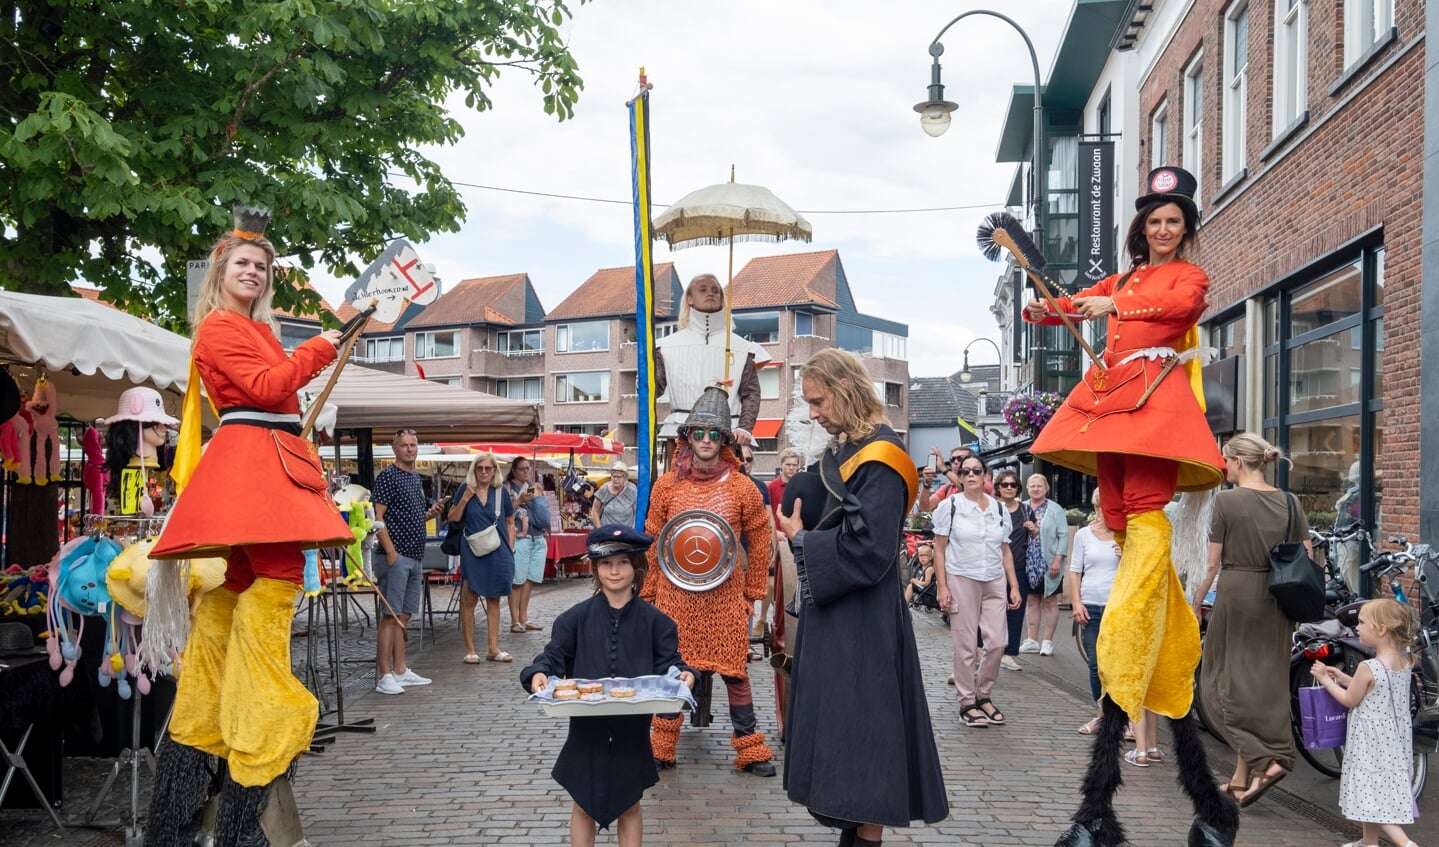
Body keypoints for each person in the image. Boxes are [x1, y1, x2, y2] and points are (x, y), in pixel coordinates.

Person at [1024, 167, 1233, 847]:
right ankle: (1205, 797)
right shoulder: (1120, 282)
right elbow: (1073, 303)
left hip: (1152, 406)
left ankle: (1096, 804)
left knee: (1142, 534)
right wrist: (1041, 304)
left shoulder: (1186, 279)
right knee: (1118, 526)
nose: (1163, 229)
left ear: (1183, 228)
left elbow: (1174, 315)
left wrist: (1108, 310)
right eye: (1153, 221)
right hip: (1113, 403)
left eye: (1173, 220)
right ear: (1140, 229)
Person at [146, 206, 354, 846]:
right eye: (243, 263)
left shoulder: (249, 328)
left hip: (263, 467)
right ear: (220, 271)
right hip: (254, 470)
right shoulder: (218, 328)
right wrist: (326, 343)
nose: (255, 273)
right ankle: (240, 830)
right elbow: (268, 388)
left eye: (262, 267)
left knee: (234, 599)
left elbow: (275, 392)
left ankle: (184, 824)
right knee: (268, 595)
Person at [777, 348, 947, 845]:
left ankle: (864, 839)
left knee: (866, 732)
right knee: (842, 730)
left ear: (845, 388)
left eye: (818, 400)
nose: (813, 413)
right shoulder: (850, 446)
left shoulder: (882, 454)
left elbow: (871, 550)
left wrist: (802, 540)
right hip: (837, 612)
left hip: (865, 619)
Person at [521, 524, 697, 847]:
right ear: (595, 568)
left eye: (623, 563)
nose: (614, 571)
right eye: (606, 564)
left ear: (637, 567)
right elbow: (552, 657)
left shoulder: (658, 623)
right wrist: (538, 674)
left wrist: (684, 676)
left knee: (630, 804)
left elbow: (670, 666)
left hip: (632, 729)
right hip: (586, 731)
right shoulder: (573, 619)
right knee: (583, 805)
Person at [642, 387, 777, 777]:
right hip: (675, 596)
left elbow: (760, 536)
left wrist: (752, 593)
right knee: (673, 671)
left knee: (735, 671)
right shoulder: (668, 486)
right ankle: (662, 747)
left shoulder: (741, 487)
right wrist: (650, 591)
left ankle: (750, 750)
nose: (705, 441)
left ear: (724, 440)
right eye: (698, 433)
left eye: (713, 434)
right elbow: (654, 539)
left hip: (725, 597)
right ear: (687, 438)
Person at [1190, 432, 1310, 805]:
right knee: (1264, 682)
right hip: (1278, 598)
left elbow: (1211, 563)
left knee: (1218, 682)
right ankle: (1242, 778)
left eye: (1227, 460)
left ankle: (1267, 761)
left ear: (1239, 462)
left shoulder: (1227, 502)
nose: (1225, 466)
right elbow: (1305, 553)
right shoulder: (1291, 502)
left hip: (1238, 592)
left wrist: (1194, 602)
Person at [1309, 598, 1419, 847]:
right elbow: (1376, 691)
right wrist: (1345, 677)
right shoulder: (1404, 661)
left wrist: (1326, 681)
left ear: (1381, 629)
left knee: (1374, 797)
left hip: (1369, 744)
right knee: (1375, 790)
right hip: (1393, 741)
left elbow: (1350, 700)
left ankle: (1405, 843)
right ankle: (1369, 843)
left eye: (1362, 622)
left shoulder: (1368, 667)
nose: (1357, 627)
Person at [933, 454, 1021, 728]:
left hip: (994, 579)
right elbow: (939, 548)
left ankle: (984, 694)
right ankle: (967, 701)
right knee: (966, 646)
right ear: (959, 477)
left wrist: (1014, 585)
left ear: (986, 476)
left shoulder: (998, 509)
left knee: (997, 642)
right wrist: (942, 586)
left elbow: (1005, 549)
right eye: (966, 471)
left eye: (976, 471)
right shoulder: (951, 507)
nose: (971, 475)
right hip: (962, 578)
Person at [654, 273, 771, 444]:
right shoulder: (665, 346)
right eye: (703, 289)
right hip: (681, 432)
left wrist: (745, 427)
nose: (711, 293)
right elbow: (654, 390)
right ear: (689, 299)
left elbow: (750, 392)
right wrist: (643, 380)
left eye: (716, 291)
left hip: (728, 434)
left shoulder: (743, 347)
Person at [370, 429, 444, 694]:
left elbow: (408, 517)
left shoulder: (414, 478)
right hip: (396, 555)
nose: (410, 449)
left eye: (413, 445)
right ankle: (384, 675)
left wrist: (429, 514)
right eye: (404, 445)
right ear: (395, 449)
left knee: (404, 615)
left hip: (414, 554)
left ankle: (400, 669)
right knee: (389, 616)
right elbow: (377, 516)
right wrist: (390, 552)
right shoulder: (388, 476)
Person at [448, 451, 517, 664]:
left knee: (494, 598)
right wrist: (466, 498)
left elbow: (510, 521)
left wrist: (510, 550)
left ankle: (493, 648)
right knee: (469, 598)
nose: (484, 472)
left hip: (498, 551)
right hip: (472, 550)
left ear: (495, 470)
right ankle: (470, 649)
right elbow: (453, 518)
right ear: (474, 470)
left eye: (488, 468)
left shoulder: (501, 492)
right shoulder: (464, 489)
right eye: (480, 468)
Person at [1070, 488, 1121, 736]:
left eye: (1111, 505)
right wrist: (1076, 602)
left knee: (1118, 664)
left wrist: (1128, 554)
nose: (1105, 510)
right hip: (1091, 604)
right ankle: (1101, 715)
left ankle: (1123, 719)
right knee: (1096, 664)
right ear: (1095, 507)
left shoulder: (1126, 536)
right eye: (1101, 505)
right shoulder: (1083, 535)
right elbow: (1075, 571)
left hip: (1119, 607)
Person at [102, 386, 177, 516]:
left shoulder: (149, 471)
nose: (164, 428)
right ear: (139, 425)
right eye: (157, 423)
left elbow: (155, 491)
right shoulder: (135, 473)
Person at [1017, 473, 1069, 657]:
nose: (1036, 489)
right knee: (1031, 601)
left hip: (1048, 562)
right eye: (1032, 486)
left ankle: (1047, 641)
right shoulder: (1021, 507)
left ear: (1046, 488)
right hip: (1027, 562)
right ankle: (1031, 639)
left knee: (1049, 601)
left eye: (1039, 486)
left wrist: (1057, 559)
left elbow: (1063, 535)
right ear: (1027, 488)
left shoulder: (1054, 509)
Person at [505, 457, 549, 633]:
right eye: (522, 469)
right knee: (517, 580)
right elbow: (505, 513)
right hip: (519, 537)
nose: (526, 472)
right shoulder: (507, 488)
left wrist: (537, 499)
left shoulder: (533, 487)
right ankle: (514, 620)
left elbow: (543, 519)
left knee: (530, 579)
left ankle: (524, 617)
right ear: (514, 470)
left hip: (537, 537)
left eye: (528, 468)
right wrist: (520, 500)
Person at [993, 469, 1030, 673]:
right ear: (998, 487)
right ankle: (985, 649)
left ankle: (1009, 654)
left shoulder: (1025, 510)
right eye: (1005, 484)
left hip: (1019, 567)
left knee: (1016, 611)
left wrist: (1034, 529)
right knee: (991, 609)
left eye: (1013, 485)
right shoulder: (993, 508)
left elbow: (1035, 538)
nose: (1009, 488)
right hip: (994, 568)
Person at [591, 462, 638, 528]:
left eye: (619, 477)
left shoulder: (632, 490)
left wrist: (632, 531)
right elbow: (594, 510)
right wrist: (599, 528)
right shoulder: (604, 489)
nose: (615, 479)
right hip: (607, 533)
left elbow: (636, 513)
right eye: (613, 476)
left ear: (625, 478)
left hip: (625, 534)